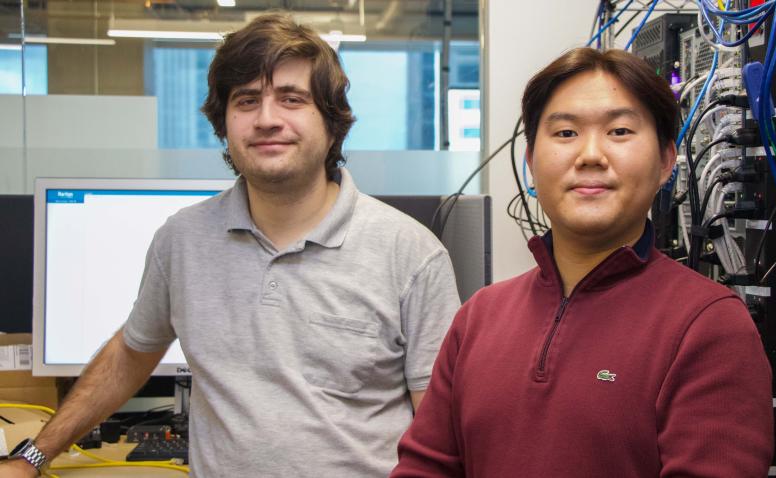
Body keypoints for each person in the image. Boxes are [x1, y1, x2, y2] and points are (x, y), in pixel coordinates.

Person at [2, 13, 460, 477]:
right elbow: (130, 354)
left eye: (291, 99)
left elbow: (440, 431)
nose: (266, 119)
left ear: (332, 120)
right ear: (224, 122)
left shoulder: (410, 254)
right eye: (246, 100)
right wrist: (31, 458)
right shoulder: (182, 240)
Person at [391, 47, 774, 477]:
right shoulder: (479, 318)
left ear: (666, 162)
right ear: (532, 163)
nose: (590, 154)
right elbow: (424, 469)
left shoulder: (708, 325)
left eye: (620, 131)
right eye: (566, 133)